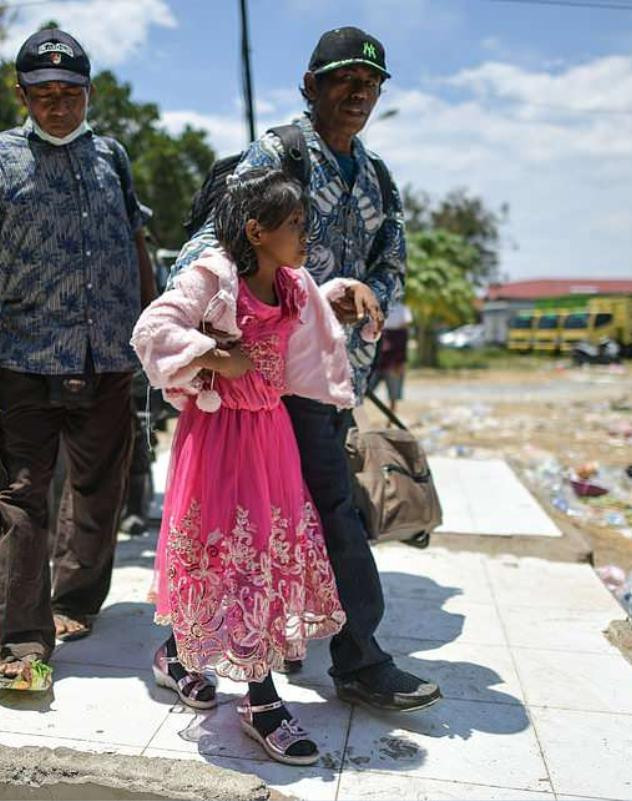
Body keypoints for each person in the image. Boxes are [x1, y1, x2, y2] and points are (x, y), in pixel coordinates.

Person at [169, 26, 441, 712]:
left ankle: (272, 645)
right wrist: (208, 337)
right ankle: (349, 658)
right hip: (263, 379)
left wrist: (365, 300)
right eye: (345, 80)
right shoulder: (280, 154)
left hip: (327, 379)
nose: (359, 93)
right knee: (283, 518)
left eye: (371, 83)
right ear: (311, 85)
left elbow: (390, 263)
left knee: (306, 518)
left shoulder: (375, 175)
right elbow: (213, 244)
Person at [0, 28, 157, 690]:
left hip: (110, 359)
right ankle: (22, 641)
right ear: (22, 95)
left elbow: (138, 243)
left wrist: (157, 331)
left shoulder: (110, 157)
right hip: (26, 359)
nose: (58, 107)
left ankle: (76, 601)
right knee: (23, 499)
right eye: (44, 95)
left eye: (70, 94)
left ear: (89, 94)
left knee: (101, 491)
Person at [133, 168, 354, 765]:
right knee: (221, 550)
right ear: (257, 231)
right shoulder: (212, 275)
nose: (306, 235)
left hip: (270, 435)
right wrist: (211, 357)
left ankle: (176, 657)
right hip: (218, 437)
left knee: (259, 553)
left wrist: (344, 291)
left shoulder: (291, 281)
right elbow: (153, 329)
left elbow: (314, 316)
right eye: (295, 225)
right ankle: (260, 702)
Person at [368, 301, 412, 412]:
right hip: (377, 356)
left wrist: (401, 362)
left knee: (393, 394)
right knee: (365, 390)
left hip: (394, 358)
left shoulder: (402, 309)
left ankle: (391, 421)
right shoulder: (377, 306)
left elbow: (403, 341)